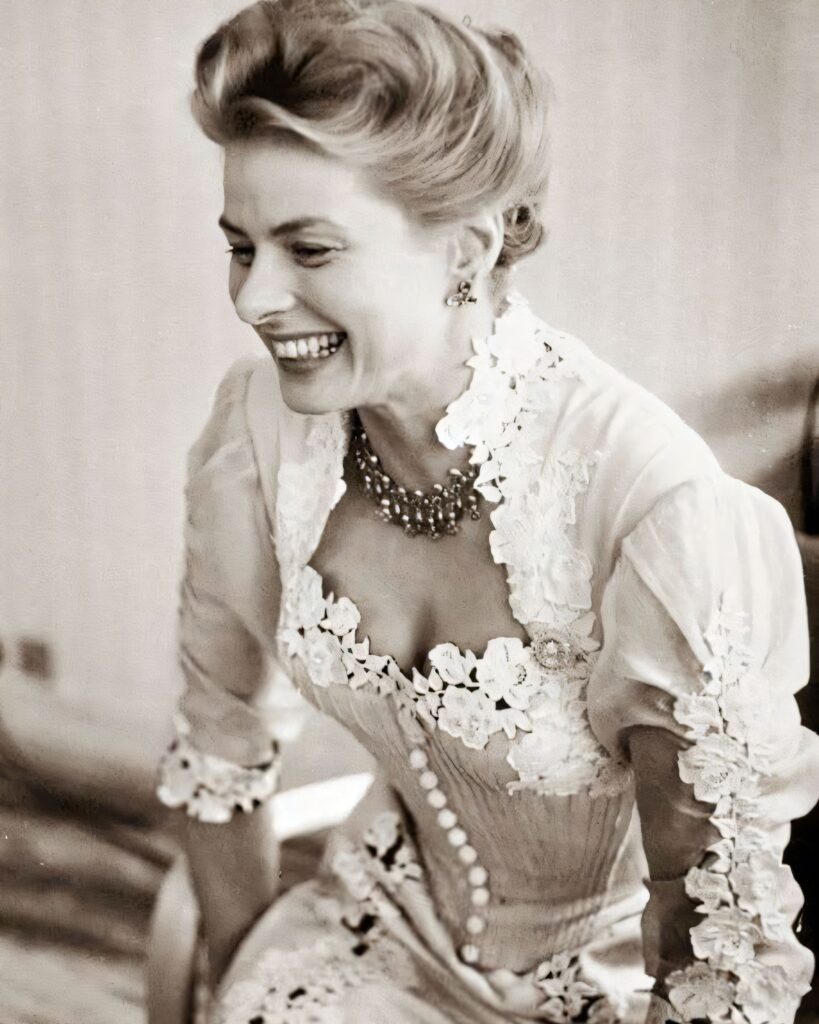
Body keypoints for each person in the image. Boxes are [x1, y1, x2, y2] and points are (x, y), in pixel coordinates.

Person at [156, 1, 819, 1021]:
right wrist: (254, 978)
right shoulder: (257, 433)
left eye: (311, 249)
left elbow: (718, 943)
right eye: (242, 247)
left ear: (466, 248)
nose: (253, 299)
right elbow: (218, 751)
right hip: (365, 939)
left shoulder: (661, 512)